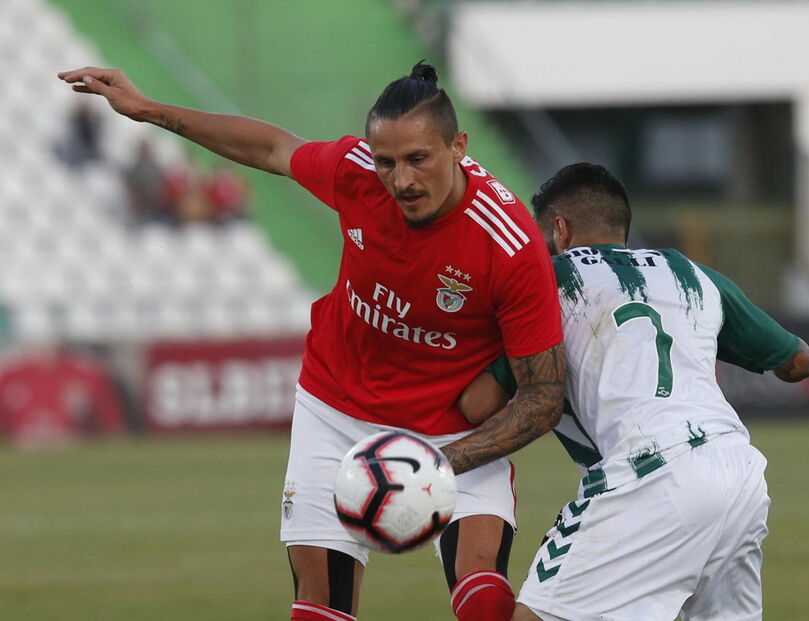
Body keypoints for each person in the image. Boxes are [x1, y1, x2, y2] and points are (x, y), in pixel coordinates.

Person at [57, 62, 566, 621]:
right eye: (387, 162)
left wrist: (439, 461)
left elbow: (544, 396)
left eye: (418, 159)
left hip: (452, 438)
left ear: (458, 147)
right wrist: (150, 110)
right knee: (318, 612)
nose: (401, 180)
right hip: (337, 414)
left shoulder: (510, 244)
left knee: (485, 604)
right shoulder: (356, 174)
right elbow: (274, 148)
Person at [459, 163, 809, 620]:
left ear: (560, 230)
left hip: (647, 472)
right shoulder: (690, 273)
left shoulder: (547, 279)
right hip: (738, 471)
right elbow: (800, 362)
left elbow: (478, 404)